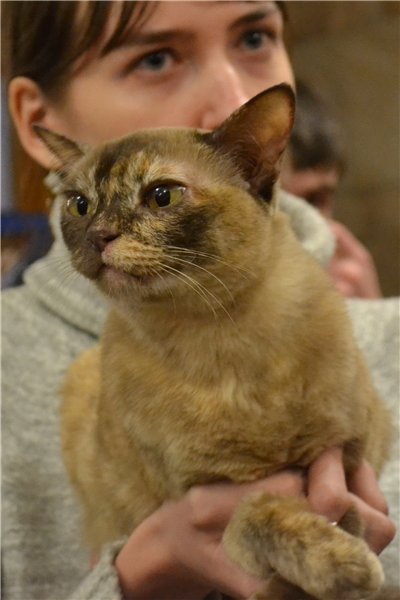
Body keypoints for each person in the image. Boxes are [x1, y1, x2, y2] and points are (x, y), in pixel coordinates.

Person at [2, 2, 398, 599]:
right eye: (156, 58)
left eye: (256, 38)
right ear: (38, 118)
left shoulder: (389, 339)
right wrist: (134, 582)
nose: (229, 98)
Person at [281, 79, 382, 299]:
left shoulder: (346, 279)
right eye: (278, 205)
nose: (301, 224)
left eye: (313, 201)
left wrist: (368, 310)